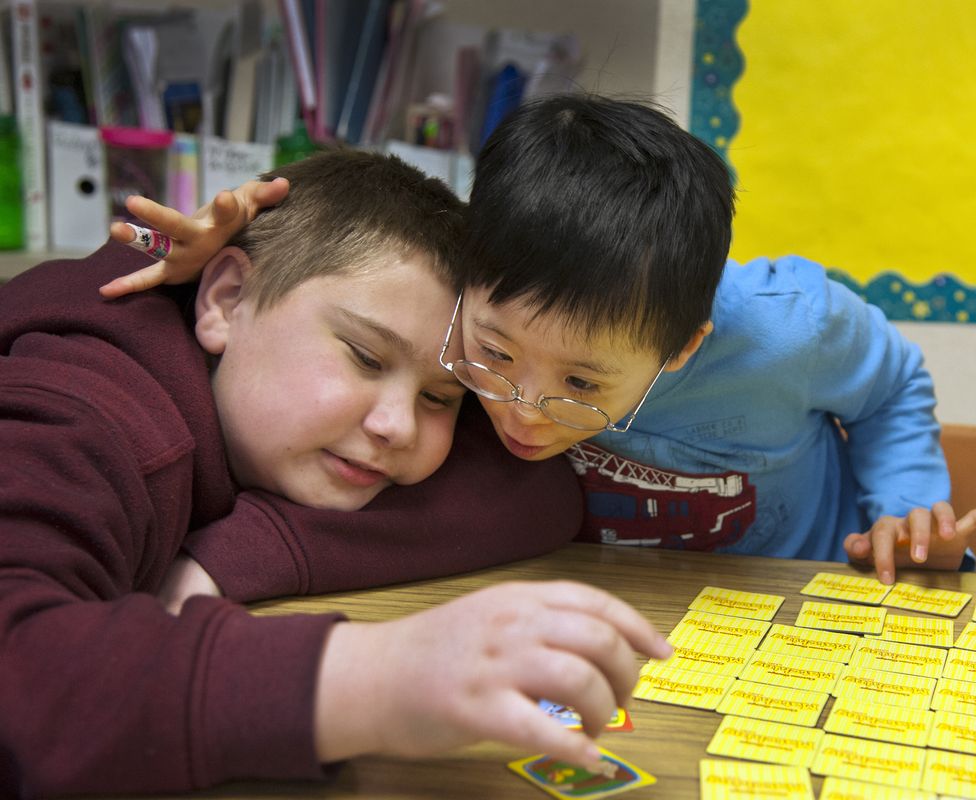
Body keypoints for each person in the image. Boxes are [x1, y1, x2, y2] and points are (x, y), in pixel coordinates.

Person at [103, 95, 976, 587]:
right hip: (608, 598)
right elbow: (340, 265)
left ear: (681, 348)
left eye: (582, 382)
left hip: (810, 587)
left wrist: (906, 505)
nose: (523, 413)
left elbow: (891, 388)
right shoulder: (467, 290)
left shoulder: (794, 327)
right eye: (491, 358)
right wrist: (209, 246)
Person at [0, 150, 670, 798]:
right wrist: (375, 678)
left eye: (441, 398)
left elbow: (537, 493)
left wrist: (251, 548)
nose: (397, 426)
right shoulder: (90, 413)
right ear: (226, 298)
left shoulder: (251, 398)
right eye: (365, 358)